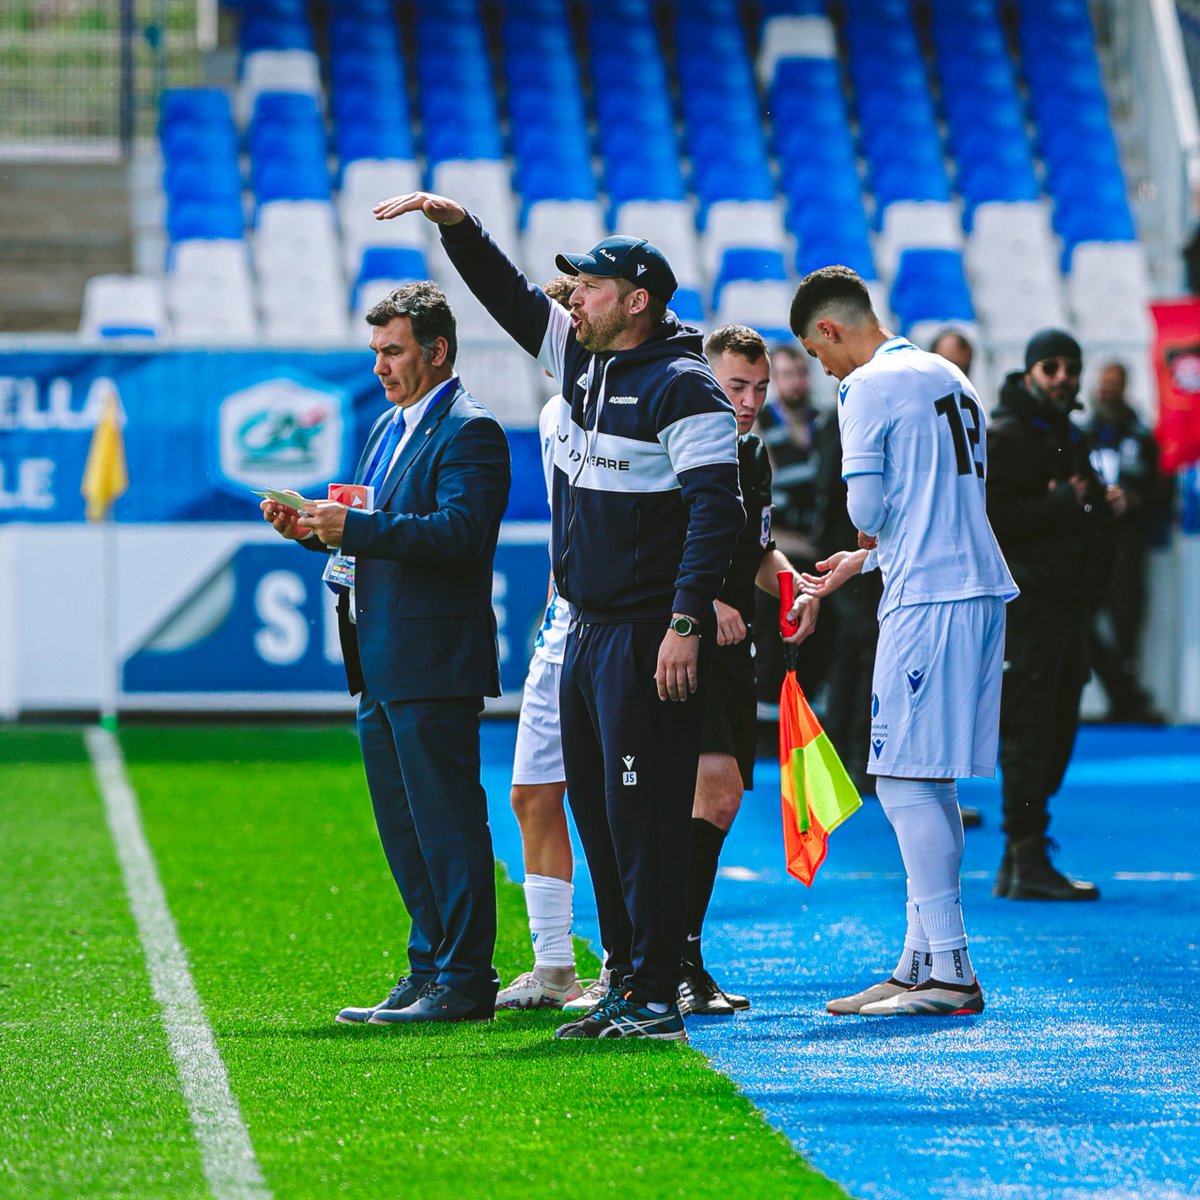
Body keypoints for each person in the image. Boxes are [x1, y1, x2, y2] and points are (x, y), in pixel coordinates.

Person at [374, 191, 752, 1041]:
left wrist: (685, 623)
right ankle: (625, 980)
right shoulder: (586, 358)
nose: (571, 296)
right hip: (585, 625)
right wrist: (456, 228)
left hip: (645, 632)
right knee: (599, 812)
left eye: (589, 285)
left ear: (637, 300)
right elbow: (509, 296)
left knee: (642, 815)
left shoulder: (684, 386)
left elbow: (715, 513)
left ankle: (656, 996)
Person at [260, 282, 511, 1024]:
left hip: (433, 660)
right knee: (405, 827)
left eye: (393, 351)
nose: (379, 366)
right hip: (380, 657)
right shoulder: (389, 427)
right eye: (375, 351)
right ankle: (429, 966)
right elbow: (375, 528)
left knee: (447, 823)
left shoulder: (473, 430)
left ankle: (465, 981)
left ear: (436, 352)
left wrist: (354, 531)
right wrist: (313, 529)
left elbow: (460, 534)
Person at [793, 266, 1017, 1017]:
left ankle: (949, 971)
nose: (825, 371)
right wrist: (867, 559)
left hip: (932, 596)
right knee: (927, 777)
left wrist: (868, 534)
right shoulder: (945, 370)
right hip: (973, 583)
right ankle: (922, 961)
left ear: (830, 329)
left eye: (818, 355)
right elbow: (937, 500)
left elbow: (867, 502)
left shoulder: (867, 389)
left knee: (902, 779)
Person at [678, 325, 819, 1016]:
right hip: (678, 643)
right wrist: (703, 603)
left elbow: (761, 553)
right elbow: (641, 550)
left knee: (717, 799)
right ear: (707, 380)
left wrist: (795, 587)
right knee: (712, 791)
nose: (751, 400)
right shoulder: (670, 444)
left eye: (760, 388)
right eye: (737, 386)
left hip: (734, 649)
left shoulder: (750, 453)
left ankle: (669, 956)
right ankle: (667, 960)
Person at [986, 331, 1114, 901]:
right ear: (1030, 371)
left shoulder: (1065, 433)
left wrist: (1098, 504)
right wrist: (1063, 503)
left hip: (1066, 607)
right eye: (1052, 366)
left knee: (1057, 728)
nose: (1064, 376)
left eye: (1072, 367)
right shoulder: (1007, 436)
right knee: (1032, 730)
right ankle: (1025, 855)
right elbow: (994, 520)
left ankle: (1022, 857)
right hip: (1030, 608)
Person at [496, 276, 585, 1011]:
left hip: (625, 622)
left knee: (615, 799)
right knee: (531, 792)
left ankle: (627, 964)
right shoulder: (556, 411)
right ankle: (555, 965)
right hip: (565, 620)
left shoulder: (643, 401)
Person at [1084, 361, 1167, 724]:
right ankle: (1127, 695)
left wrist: (1133, 500)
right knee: (1083, 622)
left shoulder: (1142, 437)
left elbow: (1160, 491)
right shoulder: (1081, 435)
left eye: (1114, 384)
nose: (1108, 390)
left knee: (1126, 621)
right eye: (1104, 383)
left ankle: (1126, 701)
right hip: (1090, 545)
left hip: (1128, 546)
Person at [752, 342, 826, 706]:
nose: (795, 383)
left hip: (821, 555)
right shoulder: (761, 428)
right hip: (777, 555)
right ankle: (768, 729)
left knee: (815, 653)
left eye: (800, 374)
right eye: (786, 375)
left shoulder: (826, 423)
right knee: (771, 648)